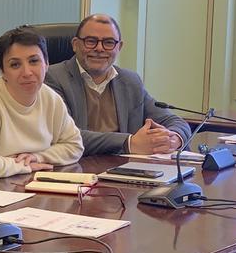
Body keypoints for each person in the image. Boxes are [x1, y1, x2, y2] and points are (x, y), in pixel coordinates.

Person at [0, 26, 83, 180]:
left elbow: (75, 146)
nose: (27, 72)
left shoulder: (51, 98)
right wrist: (24, 166)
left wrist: (38, 157)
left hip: (23, 186)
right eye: (15, 65)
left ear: (46, 64)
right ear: (3, 71)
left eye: (34, 61)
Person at [44, 14, 191, 155]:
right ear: (75, 44)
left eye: (108, 42)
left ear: (119, 47)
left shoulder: (130, 81)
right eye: (91, 41)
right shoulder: (53, 78)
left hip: (125, 170)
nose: (100, 48)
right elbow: (65, 135)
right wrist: (129, 143)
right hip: (77, 170)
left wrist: (173, 139)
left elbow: (174, 121)